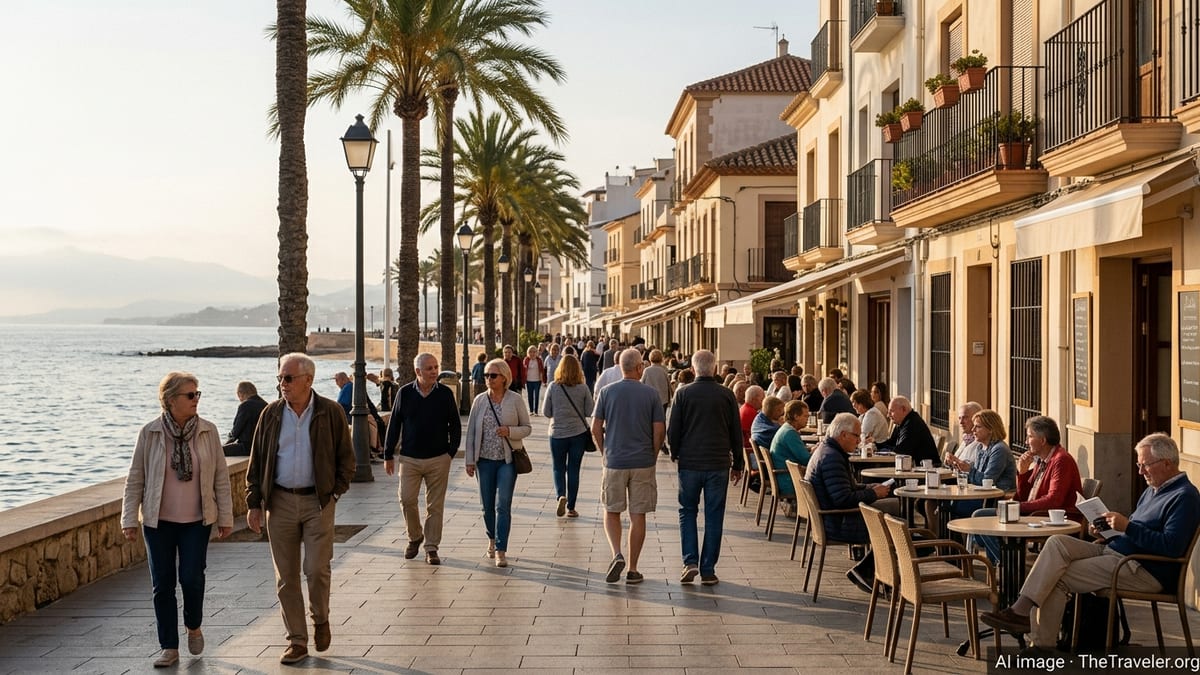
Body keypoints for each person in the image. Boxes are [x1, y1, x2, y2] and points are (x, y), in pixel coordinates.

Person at [981, 433, 1200, 650]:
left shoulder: (1185, 496)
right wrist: (1105, 532)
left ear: (1167, 463)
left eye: (1146, 465)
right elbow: (1135, 533)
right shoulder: (1153, 490)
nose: (1140, 471)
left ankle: (1039, 645)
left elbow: (1171, 547)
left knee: (1056, 577)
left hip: (1143, 569)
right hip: (1116, 552)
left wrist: (1127, 527)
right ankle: (1022, 611)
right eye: (1138, 464)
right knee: (1058, 542)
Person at [245, 353, 356, 665]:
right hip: (278, 502)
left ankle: (320, 618)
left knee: (317, 569)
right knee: (286, 577)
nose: (283, 384)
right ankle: (296, 640)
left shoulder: (330, 412)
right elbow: (257, 462)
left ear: (308, 380)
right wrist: (254, 503)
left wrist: (334, 493)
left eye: (288, 378)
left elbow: (347, 460)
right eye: (280, 378)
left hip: (317, 502)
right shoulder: (270, 414)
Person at [121, 372, 233, 668]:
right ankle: (169, 646)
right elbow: (135, 478)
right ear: (171, 400)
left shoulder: (208, 431)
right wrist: (128, 518)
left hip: (197, 520)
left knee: (192, 579)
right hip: (158, 522)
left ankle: (193, 625)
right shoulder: (150, 432)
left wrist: (226, 516)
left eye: (198, 394)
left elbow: (220, 476)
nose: (196, 399)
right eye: (190, 395)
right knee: (163, 585)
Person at [668, 349, 743, 585]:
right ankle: (708, 569)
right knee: (714, 515)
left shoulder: (683, 394)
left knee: (687, 511)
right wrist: (738, 463)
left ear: (692, 369)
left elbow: (674, 429)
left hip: (690, 462)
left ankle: (690, 561)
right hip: (718, 463)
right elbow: (736, 433)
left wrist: (675, 452)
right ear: (714, 368)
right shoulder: (727, 395)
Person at [805, 412, 900, 594]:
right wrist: (872, 494)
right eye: (856, 436)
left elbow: (845, 488)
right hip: (838, 522)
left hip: (833, 519)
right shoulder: (832, 458)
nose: (859, 441)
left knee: (894, 511)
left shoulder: (827, 451)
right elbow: (842, 499)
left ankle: (873, 571)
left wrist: (869, 487)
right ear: (843, 435)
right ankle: (866, 572)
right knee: (896, 527)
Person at [591, 349, 665, 585]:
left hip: (614, 460)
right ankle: (633, 569)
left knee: (612, 510)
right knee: (638, 513)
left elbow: (595, 428)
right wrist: (652, 454)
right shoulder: (651, 394)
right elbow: (659, 430)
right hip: (642, 461)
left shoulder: (606, 392)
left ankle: (616, 554)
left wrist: (605, 452)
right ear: (640, 367)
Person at [383, 353, 462, 565]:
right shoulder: (405, 393)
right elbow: (395, 424)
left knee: (435, 506)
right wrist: (388, 453)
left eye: (435, 367)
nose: (434, 371)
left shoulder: (445, 394)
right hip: (409, 459)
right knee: (407, 499)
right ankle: (415, 536)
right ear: (418, 371)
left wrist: (450, 452)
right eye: (429, 368)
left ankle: (431, 548)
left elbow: (455, 424)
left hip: (439, 458)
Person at [972, 416, 1083, 563]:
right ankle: (1005, 565)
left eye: (1030, 436)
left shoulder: (1061, 460)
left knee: (982, 517)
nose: (1025, 441)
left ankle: (1009, 566)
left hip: (1052, 518)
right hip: (1034, 513)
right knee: (980, 517)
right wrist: (1023, 473)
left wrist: (1017, 507)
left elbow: (1054, 500)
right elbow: (1022, 496)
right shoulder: (1042, 459)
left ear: (1042, 440)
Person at [465, 358, 532, 568]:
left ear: (504, 377)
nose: (488, 379)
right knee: (487, 507)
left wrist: (509, 431)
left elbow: (527, 427)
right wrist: (469, 460)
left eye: (492, 375)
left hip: (507, 461)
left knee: (503, 505)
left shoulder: (515, 400)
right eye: (486, 375)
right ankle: (492, 539)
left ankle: (501, 550)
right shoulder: (479, 401)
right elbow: (471, 433)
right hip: (483, 461)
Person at [541, 354, 593, 519]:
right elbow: (589, 411)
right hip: (578, 434)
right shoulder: (583, 388)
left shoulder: (553, 387)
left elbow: (546, 412)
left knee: (558, 467)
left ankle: (560, 495)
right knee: (573, 469)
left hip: (557, 433)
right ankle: (571, 507)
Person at [942, 409, 1016, 516]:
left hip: (995, 498)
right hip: (980, 494)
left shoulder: (999, 449)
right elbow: (976, 478)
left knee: (954, 505)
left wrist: (969, 469)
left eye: (978, 426)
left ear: (990, 429)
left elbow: (987, 480)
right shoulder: (980, 447)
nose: (973, 430)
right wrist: (957, 465)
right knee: (943, 501)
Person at [875, 395, 939, 467]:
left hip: (924, 471)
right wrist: (875, 446)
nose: (888, 415)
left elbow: (901, 451)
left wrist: (882, 450)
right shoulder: (901, 422)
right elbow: (891, 442)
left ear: (903, 409)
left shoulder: (913, 424)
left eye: (891, 411)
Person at [770, 399, 812, 496]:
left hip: (785, 477)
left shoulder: (786, 428)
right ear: (796, 416)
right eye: (805, 416)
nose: (807, 419)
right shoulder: (790, 433)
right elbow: (806, 460)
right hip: (789, 481)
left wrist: (811, 450)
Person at [223, 380, 267, 456]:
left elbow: (235, 432)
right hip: (263, 447)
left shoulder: (245, 405)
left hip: (248, 447)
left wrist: (226, 444)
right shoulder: (265, 405)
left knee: (217, 451)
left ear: (240, 394)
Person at [640, 348, 672, 413]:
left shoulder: (647, 370)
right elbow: (668, 383)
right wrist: (671, 396)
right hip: (663, 398)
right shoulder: (664, 369)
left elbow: (641, 383)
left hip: (649, 398)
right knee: (662, 418)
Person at [740, 385, 765, 451]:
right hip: (750, 451)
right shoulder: (751, 413)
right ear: (754, 399)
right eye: (762, 399)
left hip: (744, 449)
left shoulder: (743, 408)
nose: (763, 402)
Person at [523, 345, 546, 415]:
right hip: (529, 380)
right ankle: (531, 411)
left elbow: (542, 370)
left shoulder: (539, 360)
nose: (532, 354)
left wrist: (543, 380)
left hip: (537, 380)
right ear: (528, 353)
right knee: (530, 396)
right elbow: (523, 370)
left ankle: (536, 411)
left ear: (536, 353)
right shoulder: (526, 360)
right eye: (530, 352)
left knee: (536, 396)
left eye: (534, 352)